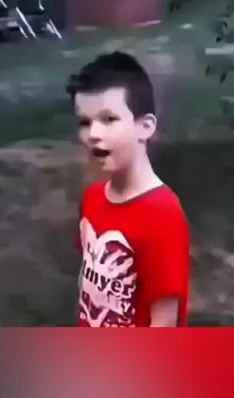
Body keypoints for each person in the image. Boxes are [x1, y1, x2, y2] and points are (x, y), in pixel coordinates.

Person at [66, 51, 190, 327]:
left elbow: (164, 322)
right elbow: (89, 287)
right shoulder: (92, 198)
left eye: (109, 119)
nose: (93, 134)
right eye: (85, 122)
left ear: (145, 127)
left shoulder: (162, 215)